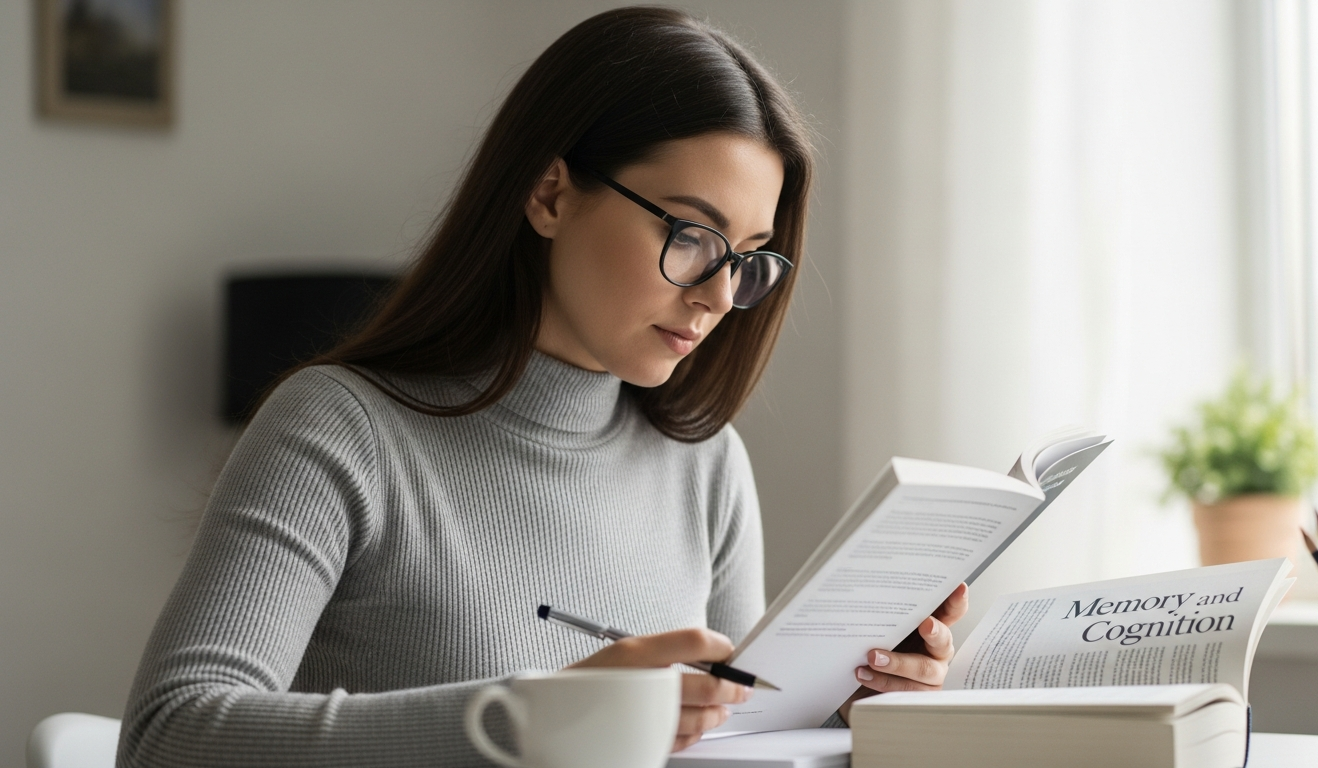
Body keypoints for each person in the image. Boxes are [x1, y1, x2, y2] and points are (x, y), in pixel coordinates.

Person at [118, 7, 967, 767]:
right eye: (692, 234)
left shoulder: (704, 466)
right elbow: (169, 738)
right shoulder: (338, 430)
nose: (716, 293)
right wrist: (527, 718)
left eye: (747, 258)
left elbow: (721, 747)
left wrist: (847, 721)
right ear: (550, 193)